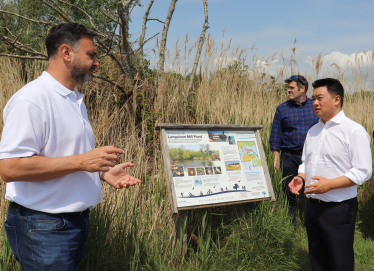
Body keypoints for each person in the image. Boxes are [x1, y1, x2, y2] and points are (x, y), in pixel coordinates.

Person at [0, 23, 141, 271]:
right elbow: (10, 168)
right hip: (43, 226)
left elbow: (62, 157)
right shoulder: (31, 100)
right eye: (92, 55)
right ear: (66, 52)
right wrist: (83, 162)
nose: (97, 63)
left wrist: (102, 172)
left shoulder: (74, 99)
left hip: (73, 223)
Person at [289, 78, 372, 271]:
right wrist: (301, 177)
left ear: (336, 99)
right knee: (317, 259)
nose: (314, 103)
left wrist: (330, 184)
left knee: (340, 261)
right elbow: (306, 162)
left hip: (339, 209)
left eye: (319, 98)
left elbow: (363, 171)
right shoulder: (313, 131)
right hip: (312, 206)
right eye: (313, 99)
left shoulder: (354, 131)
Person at [269, 75, 319, 225]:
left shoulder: (315, 106)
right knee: (290, 191)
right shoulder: (282, 109)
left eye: (291, 88)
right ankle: (292, 226)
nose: (288, 90)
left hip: (312, 157)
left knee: (313, 190)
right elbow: (275, 134)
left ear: (302, 89)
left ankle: (313, 223)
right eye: (288, 88)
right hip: (289, 157)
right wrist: (276, 158)